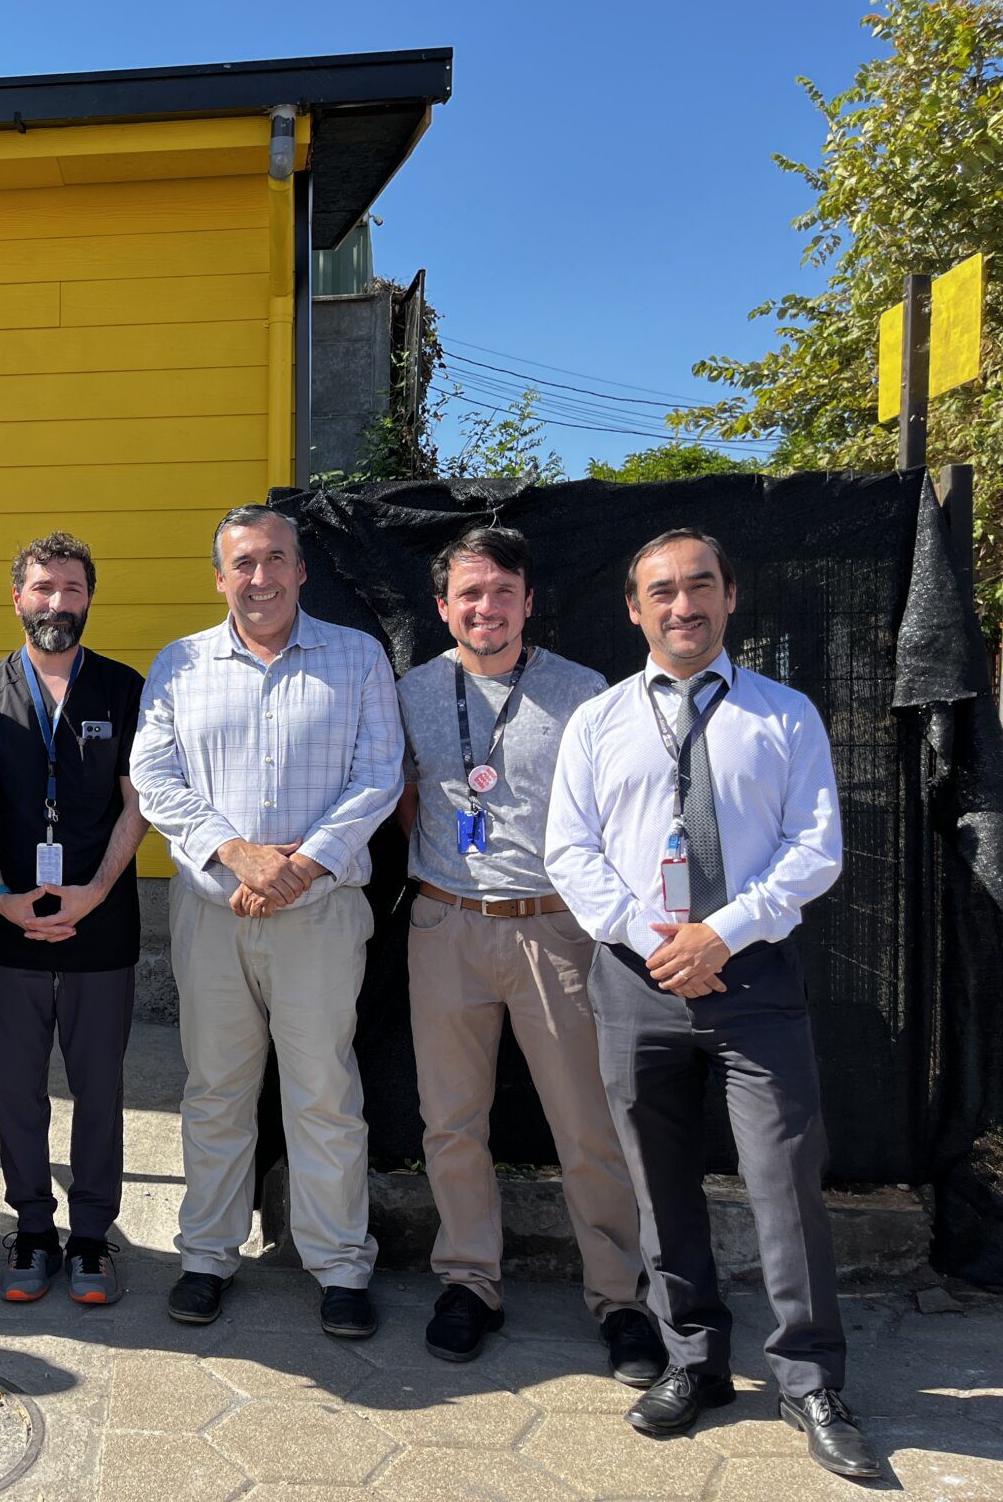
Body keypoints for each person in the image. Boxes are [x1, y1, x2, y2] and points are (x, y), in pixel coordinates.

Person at [544, 529, 880, 1480]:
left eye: (700, 587)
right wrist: (659, 944)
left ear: (731, 597)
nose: (681, 605)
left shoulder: (786, 715)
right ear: (633, 609)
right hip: (634, 978)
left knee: (783, 1182)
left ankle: (810, 1379)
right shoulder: (600, 721)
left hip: (754, 980)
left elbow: (815, 850)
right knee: (659, 1179)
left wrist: (720, 934)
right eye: (661, 592)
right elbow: (570, 850)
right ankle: (694, 1358)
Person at [393, 525, 665, 1381]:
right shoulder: (409, 691)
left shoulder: (586, 693)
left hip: (556, 929)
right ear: (442, 608)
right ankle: (470, 1282)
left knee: (586, 1123)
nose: (485, 608)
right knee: (450, 1122)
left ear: (528, 601)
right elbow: (404, 796)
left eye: (501, 592)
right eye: (468, 594)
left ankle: (621, 1299)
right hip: (444, 925)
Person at [131, 504, 403, 1336]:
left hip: (320, 913)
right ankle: (207, 1254)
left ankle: (339, 1265)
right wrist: (238, 854)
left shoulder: (357, 657)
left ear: (301, 569)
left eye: (275, 559)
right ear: (220, 576)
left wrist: (299, 865)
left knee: (323, 1090)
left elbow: (380, 774)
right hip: (212, 911)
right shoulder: (179, 665)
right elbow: (154, 775)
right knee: (216, 1090)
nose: (260, 578)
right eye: (243, 563)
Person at [0, 533, 147, 1306]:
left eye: (70, 588)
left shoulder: (124, 688)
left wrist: (95, 891)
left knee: (99, 1089)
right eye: (42, 588)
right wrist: (0, 893)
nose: (56, 603)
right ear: (17, 598)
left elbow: (140, 804)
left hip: (101, 925)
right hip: (10, 926)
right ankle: (33, 1228)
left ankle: (93, 1236)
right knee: (16, 1089)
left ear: (89, 597)